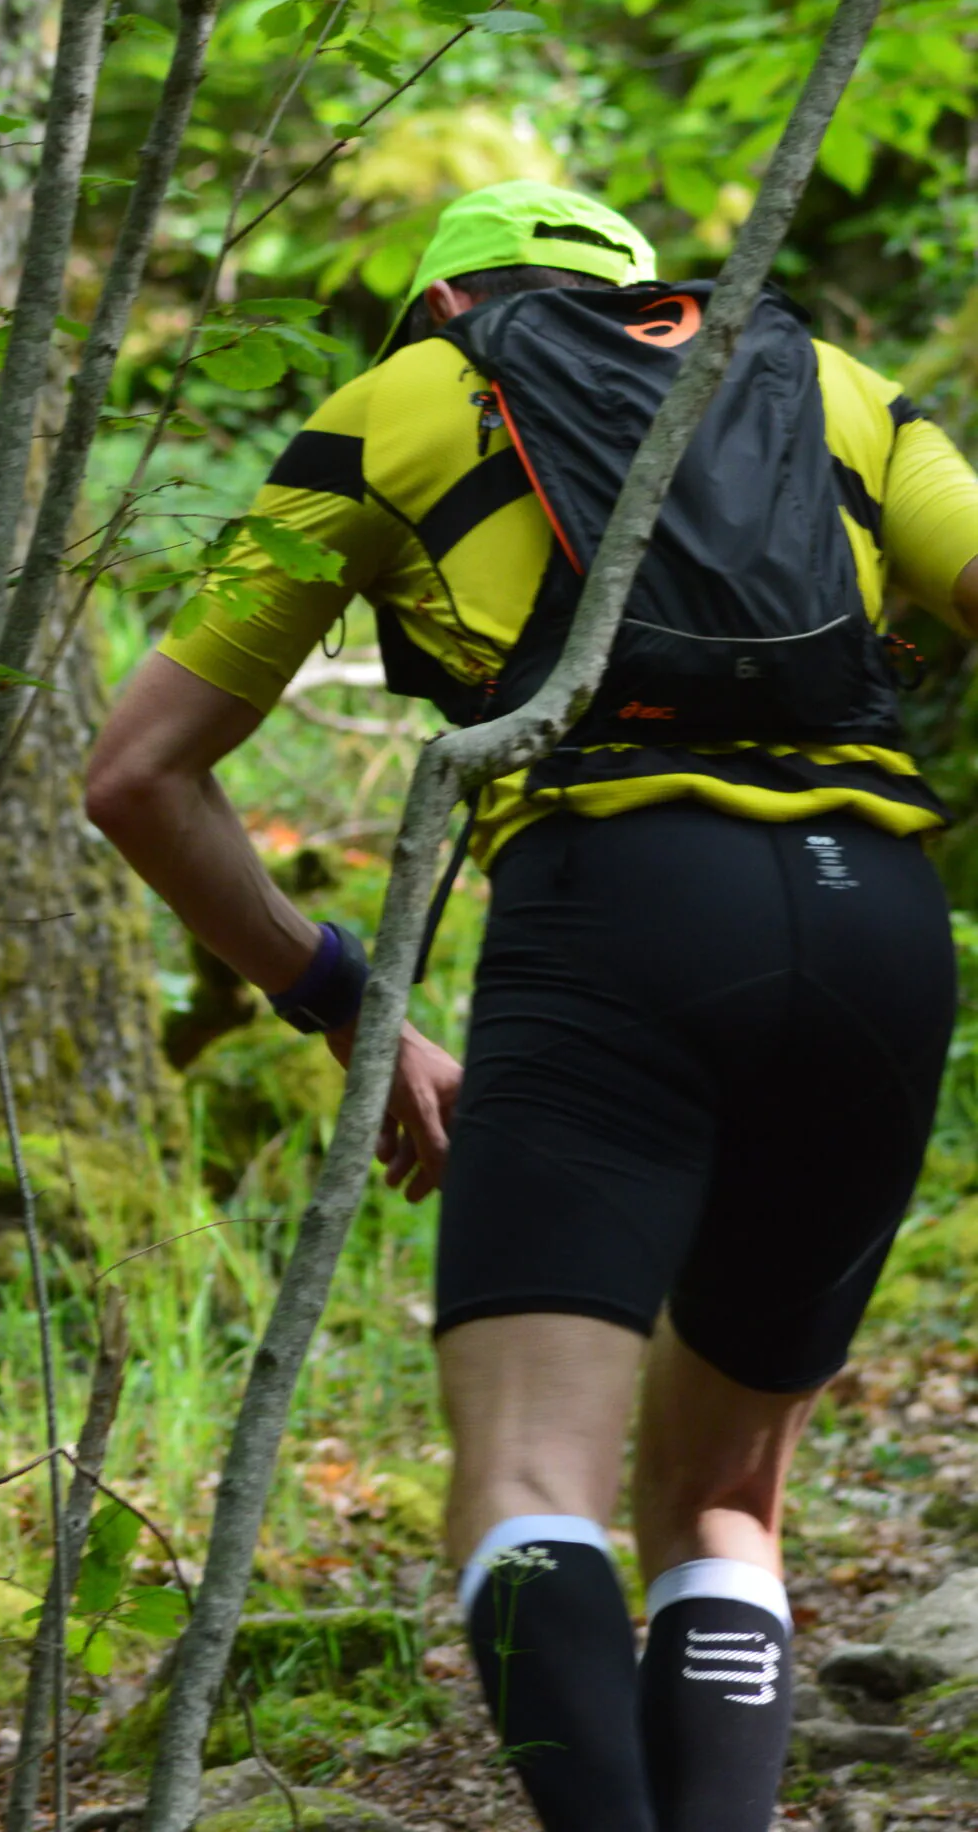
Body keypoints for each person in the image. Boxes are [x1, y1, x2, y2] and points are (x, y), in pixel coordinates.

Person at [86, 177, 978, 1832]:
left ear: (440, 304)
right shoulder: (829, 382)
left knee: (522, 1478)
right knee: (724, 1502)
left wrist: (346, 1000)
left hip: (615, 913)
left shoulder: (398, 403)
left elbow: (139, 776)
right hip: (880, 929)